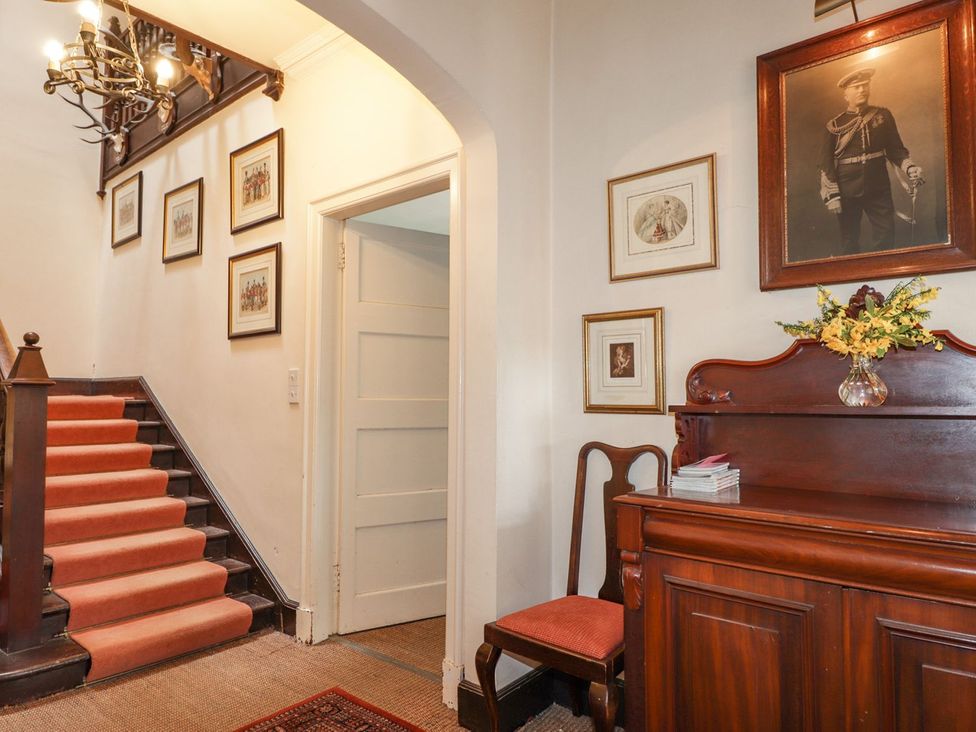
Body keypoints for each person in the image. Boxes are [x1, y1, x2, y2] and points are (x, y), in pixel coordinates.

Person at [818, 68, 923, 254]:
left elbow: (895, 149)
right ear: (846, 94)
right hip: (847, 188)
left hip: (878, 186)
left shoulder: (882, 115)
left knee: (886, 236)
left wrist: (910, 167)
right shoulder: (835, 125)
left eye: (865, 85)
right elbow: (826, 161)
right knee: (849, 240)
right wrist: (832, 195)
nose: (862, 90)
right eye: (856, 87)